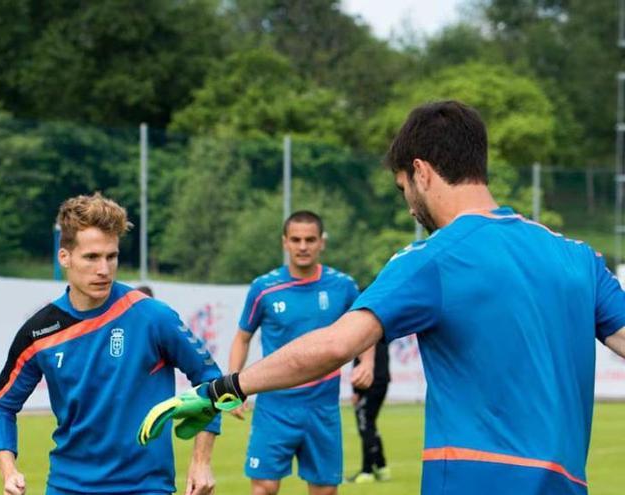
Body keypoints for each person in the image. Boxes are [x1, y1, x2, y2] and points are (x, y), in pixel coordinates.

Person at [142, 101, 625, 495]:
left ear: (421, 171)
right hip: (568, 483)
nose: (410, 203)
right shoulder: (578, 257)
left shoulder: (432, 258)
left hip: (472, 479)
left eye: (402, 189)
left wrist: (224, 388)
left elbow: (334, 347)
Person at [0, 192, 223, 495]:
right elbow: (0, 407)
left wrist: (201, 461)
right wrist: (8, 470)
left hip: (146, 488)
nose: (104, 269)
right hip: (67, 487)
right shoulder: (39, 332)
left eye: (111, 256)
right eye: (92, 257)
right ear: (64, 257)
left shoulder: (152, 316)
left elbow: (212, 380)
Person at [228, 211, 373, 495]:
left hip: (323, 407)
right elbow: (242, 338)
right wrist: (234, 385)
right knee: (263, 489)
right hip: (275, 407)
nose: (303, 246)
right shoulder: (264, 288)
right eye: (296, 239)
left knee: (325, 491)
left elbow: (365, 328)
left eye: (310, 239)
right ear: (285, 242)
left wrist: (366, 362)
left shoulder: (343, 286)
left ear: (322, 242)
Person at [346, 341, 390, 484]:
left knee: (366, 427)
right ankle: (382, 467)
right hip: (382, 381)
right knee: (370, 424)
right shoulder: (381, 331)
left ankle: (367, 471)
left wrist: (356, 390)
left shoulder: (364, 333)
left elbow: (360, 360)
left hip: (369, 383)